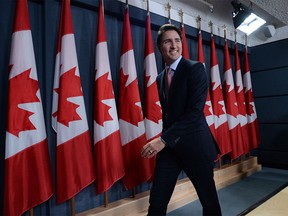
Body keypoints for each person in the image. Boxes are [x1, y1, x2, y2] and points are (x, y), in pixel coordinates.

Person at [141, 24, 222, 216]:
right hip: (170, 150)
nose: (174, 45)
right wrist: (166, 142)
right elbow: (169, 116)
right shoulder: (161, 77)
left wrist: (162, 140)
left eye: (177, 40)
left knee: (209, 203)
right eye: (168, 41)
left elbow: (194, 114)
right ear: (160, 46)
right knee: (157, 200)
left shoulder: (195, 69)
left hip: (196, 147)